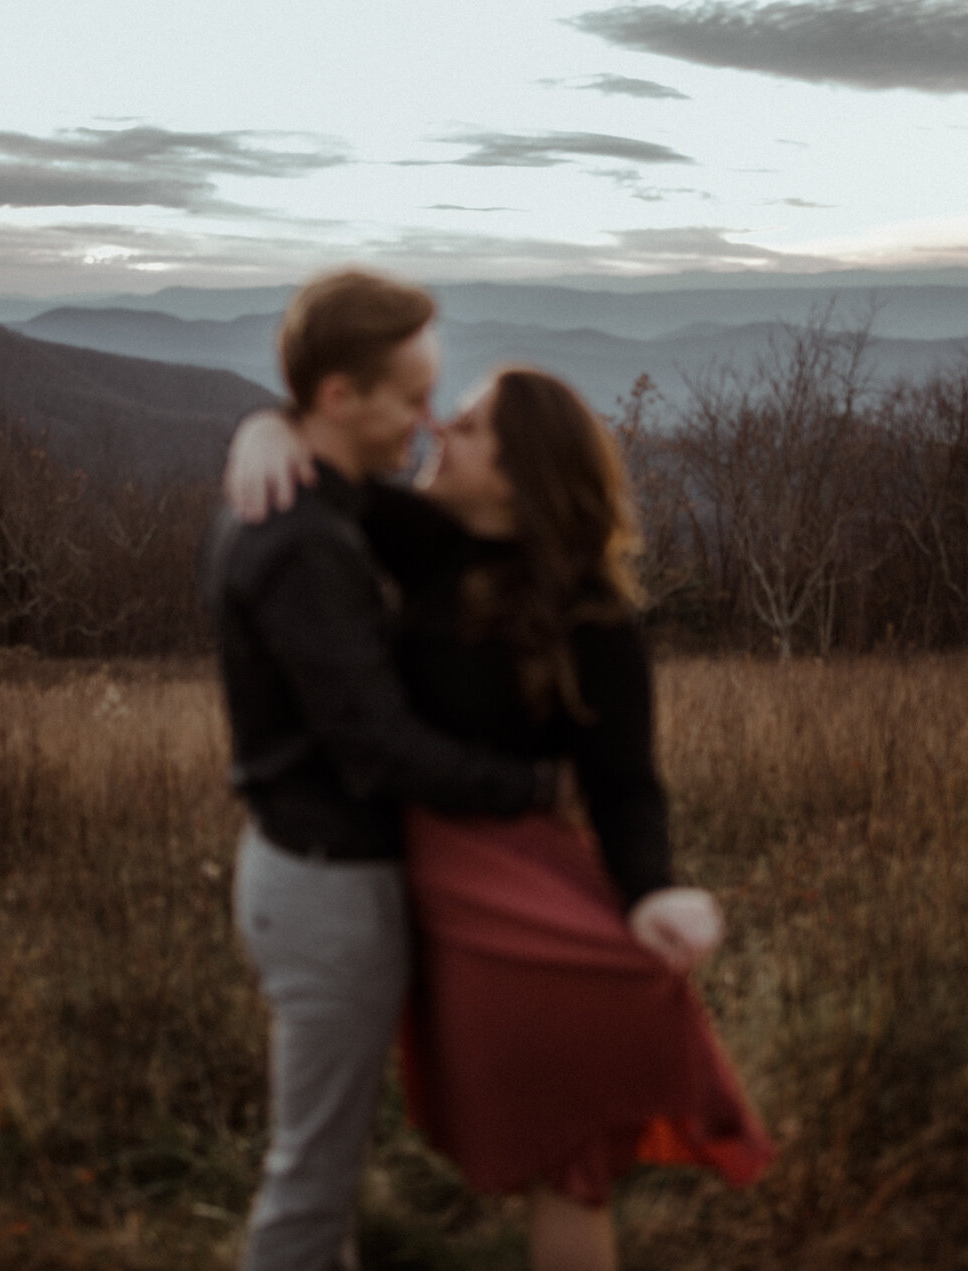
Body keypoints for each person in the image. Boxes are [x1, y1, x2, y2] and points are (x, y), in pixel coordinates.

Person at [225, 365, 773, 1271]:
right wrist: (265, 430)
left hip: (516, 904)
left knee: (568, 1166)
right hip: (428, 895)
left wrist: (653, 891)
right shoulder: (430, 545)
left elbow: (625, 785)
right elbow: (328, 489)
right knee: (510, 1151)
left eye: (470, 427)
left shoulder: (596, 620)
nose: (439, 429)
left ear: (517, 475)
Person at [204, 269, 567, 1271]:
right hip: (325, 890)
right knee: (309, 1188)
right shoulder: (300, 540)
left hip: (318, 875)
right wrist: (530, 791)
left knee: (326, 1177)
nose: (429, 419)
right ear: (338, 398)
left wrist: (262, 422)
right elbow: (377, 744)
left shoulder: (317, 499)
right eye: (409, 397)